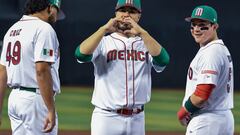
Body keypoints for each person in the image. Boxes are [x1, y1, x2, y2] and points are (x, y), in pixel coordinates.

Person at [75, 0, 170, 134]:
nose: (126, 14)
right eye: (122, 10)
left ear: (139, 16)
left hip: (137, 118)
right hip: (107, 117)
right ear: (115, 13)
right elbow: (80, 55)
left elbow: (163, 60)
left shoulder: (146, 44)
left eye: (132, 11)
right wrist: (103, 30)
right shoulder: (104, 42)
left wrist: (142, 33)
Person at [0, 0, 64, 134]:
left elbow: (2, 73)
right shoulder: (44, 28)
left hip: (15, 100)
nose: (56, 16)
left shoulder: (12, 30)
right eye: (56, 11)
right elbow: (41, 70)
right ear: (49, 7)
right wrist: (50, 109)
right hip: (35, 100)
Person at [177, 5, 234, 135]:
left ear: (215, 26)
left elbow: (202, 93)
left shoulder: (211, 52)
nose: (196, 29)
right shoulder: (219, 49)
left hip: (207, 121)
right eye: (193, 25)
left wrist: (184, 111)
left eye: (202, 25)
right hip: (222, 118)